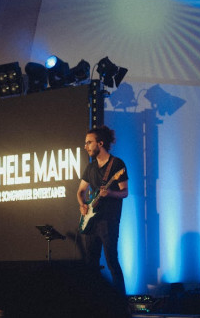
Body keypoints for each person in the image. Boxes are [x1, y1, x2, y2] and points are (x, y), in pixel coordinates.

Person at [76, 125, 128, 295]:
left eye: (89, 142)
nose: (86, 146)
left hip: (108, 220)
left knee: (112, 261)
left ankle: (121, 301)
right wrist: (82, 204)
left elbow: (124, 192)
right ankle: (94, 300)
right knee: (91, 263)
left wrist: (110, 193)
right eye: (85, 143)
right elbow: (80, 191)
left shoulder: (117, 164)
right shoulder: (90, 168)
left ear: (100, 143)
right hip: (91, 222)